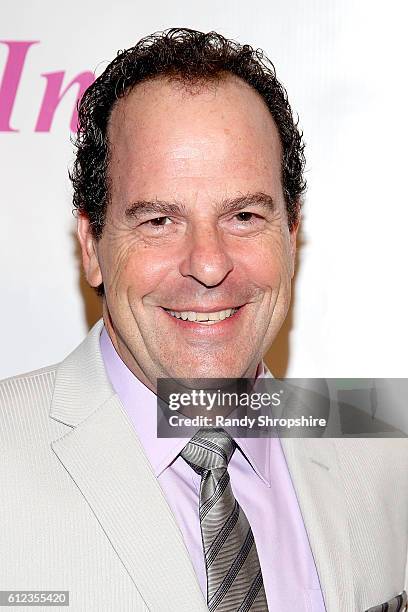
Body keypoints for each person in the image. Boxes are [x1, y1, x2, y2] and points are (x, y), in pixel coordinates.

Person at [0, 28, 407, 612]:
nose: (210, 264)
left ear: (291, 234)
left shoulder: (384, 448)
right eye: (160, 221)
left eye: (243, 214)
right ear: (91, 245)